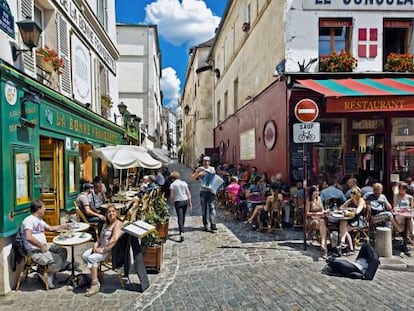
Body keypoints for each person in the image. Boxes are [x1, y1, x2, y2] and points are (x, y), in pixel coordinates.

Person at [21, 199, 69, 288]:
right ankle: (42, 271)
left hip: (44, 246)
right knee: (57, 260)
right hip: (34, 250)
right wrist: (41, 246)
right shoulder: (29, 220)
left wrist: (63, 226)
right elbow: (29, 237)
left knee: (62, 251)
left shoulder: (39, 220)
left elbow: (50, 228)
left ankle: (50, 272)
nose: (45, 209)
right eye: (44, 207)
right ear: (38, 209)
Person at [82, 205, 123, 296]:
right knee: (85, 255)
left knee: (91, 259)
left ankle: (95, 284)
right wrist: (95, 246)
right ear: (106, 214)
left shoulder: (118, 223)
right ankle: (96, 274)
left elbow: (114, 239)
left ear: (116, 213)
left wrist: (102, 250)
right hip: (101, 247)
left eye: (113, 211)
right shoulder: (106, 224)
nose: (111, 213)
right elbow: (100, 239)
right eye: (109, 212)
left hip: (109, 251)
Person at [191, 156, 218, 231]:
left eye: (208, 161)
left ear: (209, 162)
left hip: (211, 191)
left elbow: (214, 179)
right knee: (204, 208)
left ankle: (213, 223)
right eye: (205, 161)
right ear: (203, 162)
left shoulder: (212, 169)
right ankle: (205, 224)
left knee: (212, 207)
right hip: (203, 191)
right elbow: (192, 178)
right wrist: (199, 174)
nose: (206, 163)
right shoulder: (200, 169)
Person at [338, 187, 366, 254]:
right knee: (343, 222)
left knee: (343, 230)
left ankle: (347, 246)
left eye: (354, 193)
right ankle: (345, 244)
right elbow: (341, 208)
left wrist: (349, 209)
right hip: (351, 220)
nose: (352, 195)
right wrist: (345, 208)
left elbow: (357, 212)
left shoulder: (361, 201)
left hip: (360, 221)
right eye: (352, 193)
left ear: (358, 194)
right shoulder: (351, 200)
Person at [306, 186, 328, 258]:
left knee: (322, 222)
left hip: (320, 219)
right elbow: (307, 213)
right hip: (312, 220)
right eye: (316, 191)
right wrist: (316, 214)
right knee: (322, 224)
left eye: (318, 191)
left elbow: (322, 210)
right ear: (312, 192)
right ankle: (324, 245)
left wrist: (324, 212)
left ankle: (323, 246)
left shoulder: (319, 199)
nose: (317, 193)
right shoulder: (308, 201)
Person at [169, 171, 192, 242]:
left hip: (178, 202)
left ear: (172, 178)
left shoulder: (172, 185)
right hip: (185, 201)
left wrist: (172, 202)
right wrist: (190, 202)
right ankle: (181, 230)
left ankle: (181, 233)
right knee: (183, 216)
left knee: (180, 217)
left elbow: (172, 196)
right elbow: (188, 193)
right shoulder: (184, 183)